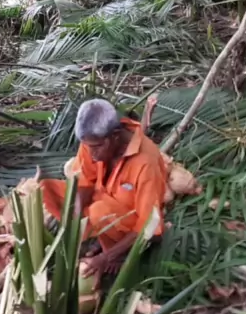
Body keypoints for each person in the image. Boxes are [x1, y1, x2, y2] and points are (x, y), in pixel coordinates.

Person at [40, 99, 168, 276]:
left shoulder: (146, 162)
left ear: (115, 135)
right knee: (45, 189)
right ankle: (94, 238)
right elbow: (84, 182)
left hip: (130, 222)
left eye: (97, 147)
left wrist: (106, 257)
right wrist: (75, 222)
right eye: (88, 147)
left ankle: (120, 253)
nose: (92, 154)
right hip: (102, 201)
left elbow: (150, 226)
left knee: (99, 212)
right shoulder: (93, 141)